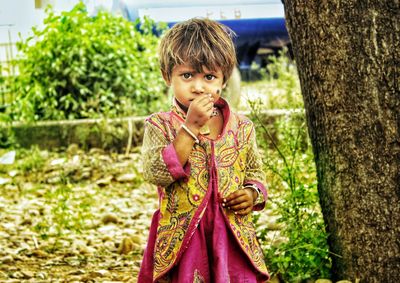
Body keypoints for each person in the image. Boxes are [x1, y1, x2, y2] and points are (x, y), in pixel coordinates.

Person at [138, 18, 269, 283]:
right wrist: (190, 128)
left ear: (223, 79)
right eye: (187, 76)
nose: (198, 87)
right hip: (184, 238)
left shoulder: (242, 127)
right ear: (168, 77)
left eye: (209, 77)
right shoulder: (160, 125)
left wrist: (251, 192)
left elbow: (256, 171)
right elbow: (154, 172)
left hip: (230, 237)